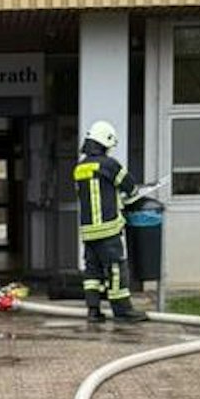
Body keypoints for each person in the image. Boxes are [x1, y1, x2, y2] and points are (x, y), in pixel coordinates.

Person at [74, 121, 149, 325]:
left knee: (92, 272)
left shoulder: (80, 167)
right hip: (108, 229)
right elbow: (131, 187)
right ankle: (123, 311)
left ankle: (93, 311)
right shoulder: (109, 164)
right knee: (116, 269)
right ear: (105, 142)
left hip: (88, 231)